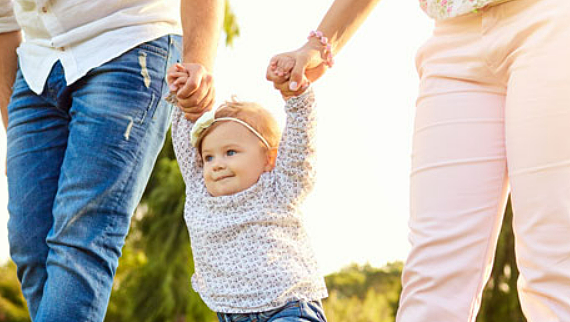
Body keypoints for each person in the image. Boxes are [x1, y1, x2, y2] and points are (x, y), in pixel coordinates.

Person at [266, 0, 570, 321]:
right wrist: (319, 43)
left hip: (550, 20)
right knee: (433, 277)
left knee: (555, 258)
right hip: (453, 40)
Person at [0, 0, 223, 321]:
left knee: (81, 238)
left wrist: (198, 60)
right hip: (37, 65)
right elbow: (5, 22)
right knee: (30, 244)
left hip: (128, 41)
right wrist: (15, 131)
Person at [168, 63, 328, 322]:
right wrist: (183, 94)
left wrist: (297, 98)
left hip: (287, 308)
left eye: (231, 152)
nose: (217, 163)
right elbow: (186, 141)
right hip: (231, 315)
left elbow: (300, 146)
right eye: (208, 157)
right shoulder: (201, 192)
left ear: (269, 158)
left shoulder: (279, 189)